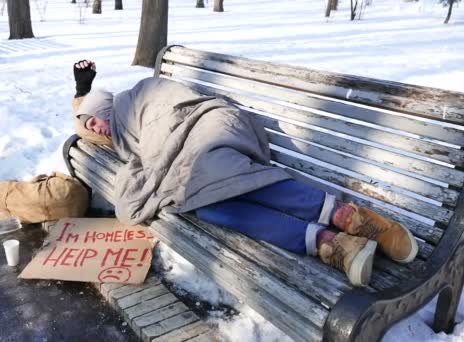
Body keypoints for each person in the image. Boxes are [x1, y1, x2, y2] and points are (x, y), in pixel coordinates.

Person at [70, 60, 418, 287]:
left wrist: (160, 159)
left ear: (104, 108)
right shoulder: (123, 137)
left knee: (215, 173)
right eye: (89, 126)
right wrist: (80, 92)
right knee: (202, 203)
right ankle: (329, 244)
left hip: (207, 126)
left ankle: (353, 217)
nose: (95, 128)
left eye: (94, 120)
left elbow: (172, 112)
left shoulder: (142, 92)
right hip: (183, 151)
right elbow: (137, 146)